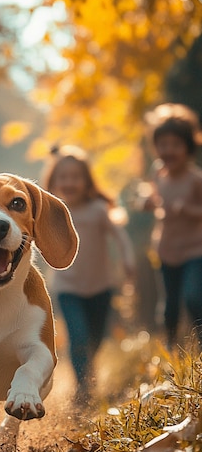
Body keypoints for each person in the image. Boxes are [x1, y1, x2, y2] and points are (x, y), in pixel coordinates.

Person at [41, 145, 135, 401]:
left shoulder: (98, 210)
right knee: (79, 336)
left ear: (86, 181)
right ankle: (83, 388)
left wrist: (127, 258)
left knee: (96, 338)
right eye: (64, 177)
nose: (69, 182)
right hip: (67, 287)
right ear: (54, 180)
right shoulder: (52, 212)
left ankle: (88, 371)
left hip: (101, 286)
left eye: (76, 177)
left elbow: (120, 236)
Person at [141, 103, 202, 351]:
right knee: (169, 306)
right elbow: (154, 198)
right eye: (163, 144)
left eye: (175, 145)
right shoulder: (158, 173)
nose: (168, 150)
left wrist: (188, 210)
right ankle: (171, 348)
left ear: (188, 148)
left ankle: (198, 347)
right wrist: (147, 202)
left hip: (194, 250)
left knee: (193, 297)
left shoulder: (195, 179)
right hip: (166, 250)